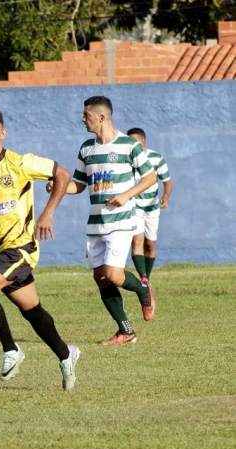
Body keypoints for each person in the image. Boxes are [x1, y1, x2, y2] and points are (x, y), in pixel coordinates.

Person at [0, 106, 80, 390]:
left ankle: (11, 349)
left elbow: (63, 174)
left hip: (21, 247)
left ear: (3, 133)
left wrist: (48, 213)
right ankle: (66, 354)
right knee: (33, 311)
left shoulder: (20, 163)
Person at [55, 96, 156, 345]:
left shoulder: (128, 146)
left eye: (86, 115)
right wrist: (59, 187)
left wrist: (126, 195)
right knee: (100, 277)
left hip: (121, 221)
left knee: (112, 274)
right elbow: (79, 185)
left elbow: (150, 177)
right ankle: (126, 331)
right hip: (95, 224)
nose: (82, 119)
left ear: (101, 117)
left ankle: (143, 288)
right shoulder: (86, 149)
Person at [125, 127, 172, 306]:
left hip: (152, 208)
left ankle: (147, 278)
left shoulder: (156, 158)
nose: (132, 145)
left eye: (135, 142)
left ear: (143, 141)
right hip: (134, 206)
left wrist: (165, 197)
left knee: (150, 244)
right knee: (137, 241)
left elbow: (167, 182)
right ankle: (143, 279)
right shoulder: (126, 160)